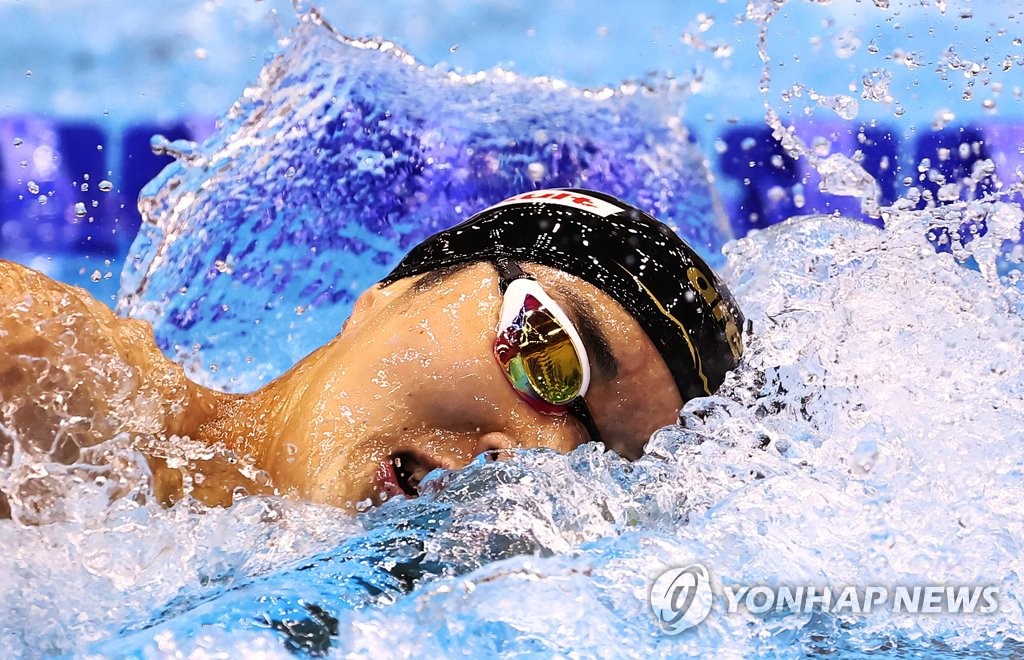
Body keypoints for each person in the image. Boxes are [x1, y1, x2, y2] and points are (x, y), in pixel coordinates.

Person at [0, 189, 744, 513]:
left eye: (600, 463)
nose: (543, 454)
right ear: (394, 291)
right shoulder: (39, 371)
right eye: (548, 351)